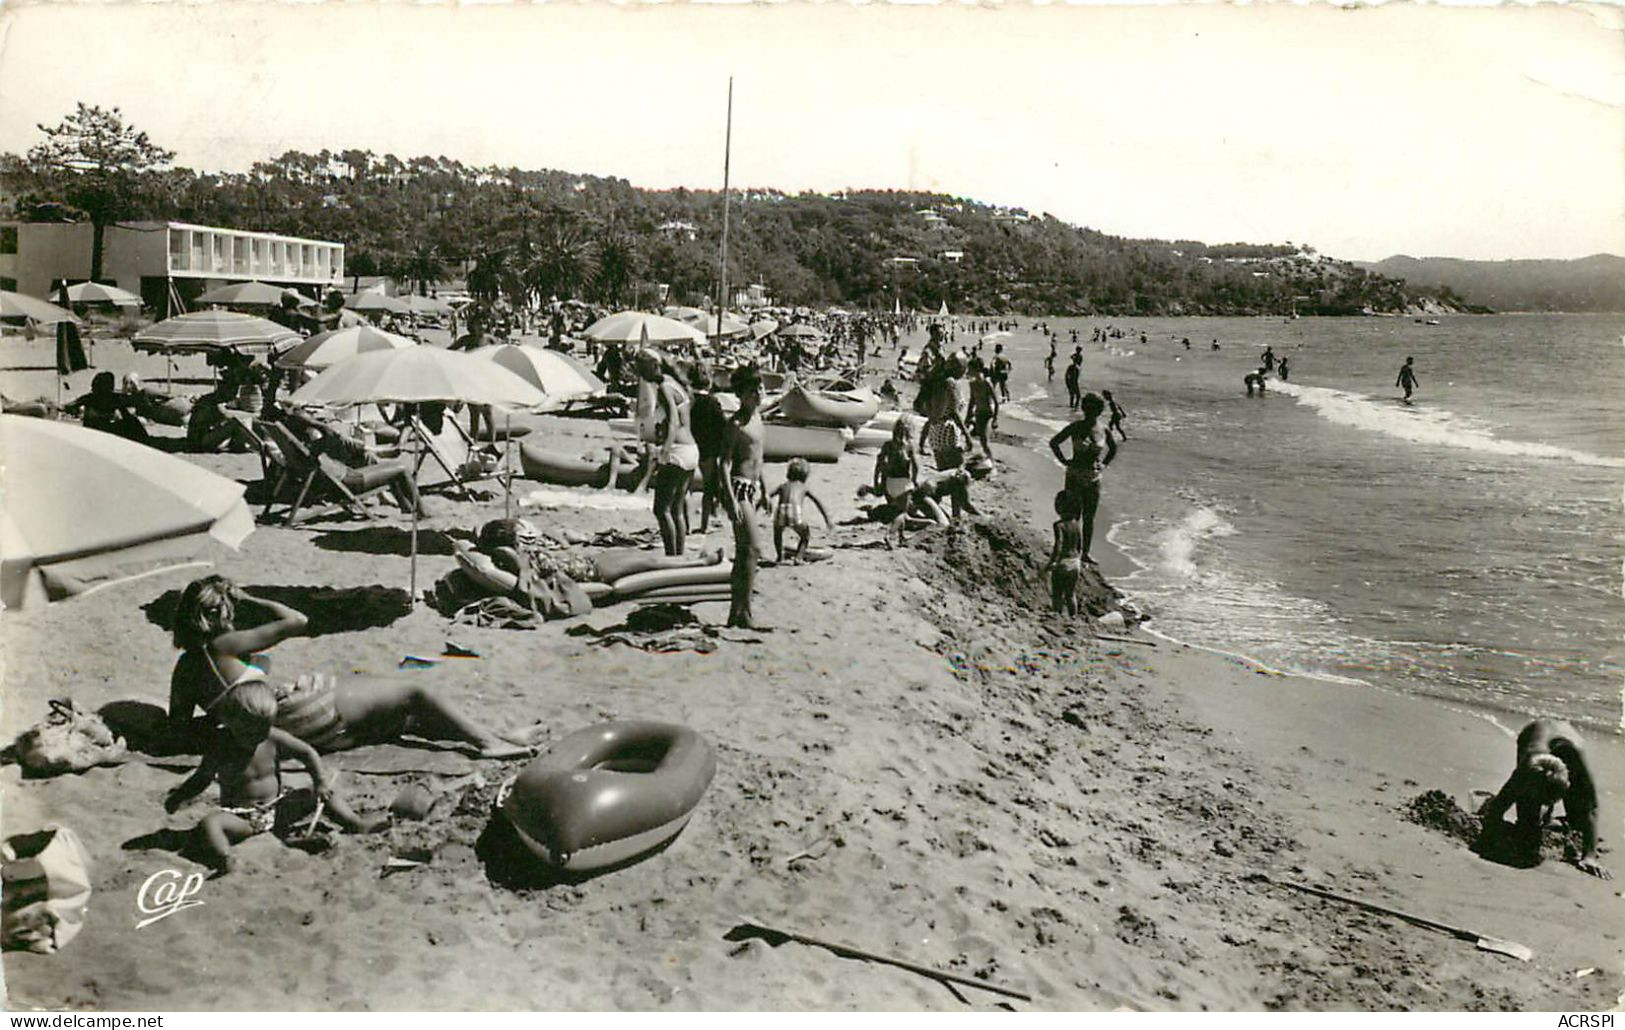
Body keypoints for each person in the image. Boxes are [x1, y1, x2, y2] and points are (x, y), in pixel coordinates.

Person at [167, 576, 533, 758]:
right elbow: (296, 620)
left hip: (280, 734)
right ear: (218, 615)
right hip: (300, 712)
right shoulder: (223, 644)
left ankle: (496, 736)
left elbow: (180, 729)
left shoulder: (184, 670)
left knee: (400, 714)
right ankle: (488, 742)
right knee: (413, 690)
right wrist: (250, 597)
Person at [164, 682, 386, 875]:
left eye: (262, 730)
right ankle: (225, 857)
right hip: (242, 818)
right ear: (228, 721)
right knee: (210, 823)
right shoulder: (220, 747)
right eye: (249, 732)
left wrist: (319, 781)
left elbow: (307, 752)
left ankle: (355, 823)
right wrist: (180, 796)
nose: (256, 737)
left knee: (320, 794)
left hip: (277, 808)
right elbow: (201, 778)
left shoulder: (271, 738)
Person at [1478, 718, 1608, 879]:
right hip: (1532, 732)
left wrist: (1590, 856)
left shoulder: (1577, 762)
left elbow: (1592, 808)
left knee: (1579, 819)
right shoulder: (1528, 767)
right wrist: (1491, 823)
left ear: (1567, 785)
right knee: (1527, 824)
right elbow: (1503, 801)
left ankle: (1552, 818)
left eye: (1548, 802)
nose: (1544, 805)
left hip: (1568, 736)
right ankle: (1532, 811)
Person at [718, 365, 771, 630]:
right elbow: (724, 463)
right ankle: (745, 612)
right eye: (753, 390)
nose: (759, 393)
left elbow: (758, 458)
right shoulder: (736, 424)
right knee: (753, 549)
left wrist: (765, 488)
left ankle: (736, 613)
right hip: (738, 488)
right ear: (741, 395)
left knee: (744, 554)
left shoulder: (759, 419)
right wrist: (728, 498)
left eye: (760, 388)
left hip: (751, 488)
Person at [1048, 393, 1117, 561]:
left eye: (1096, 409)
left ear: (1100, 410)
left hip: (1094, 477)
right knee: (1072, 516)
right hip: (1075, 475)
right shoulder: (1076, 427)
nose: (1093, 411)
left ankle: (1085, 552)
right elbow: (1054, 442)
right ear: (1085, 408)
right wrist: (1064, 461)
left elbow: (1113, 449)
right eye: (1090, 408)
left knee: (1089, 518)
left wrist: (1104, 464)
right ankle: (1070, 550)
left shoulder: (1104, 429)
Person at [641, 353, 698, 556]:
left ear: (655, 366)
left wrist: (664, 449)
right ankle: (679, 557)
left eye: (642, 367)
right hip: (690, 450)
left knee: (661, 509)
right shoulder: (674, 383)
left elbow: (674, 421)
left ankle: (671, 556)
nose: (639, 372)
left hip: (677, 451)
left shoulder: (665, 388)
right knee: (676, 509)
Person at [769, 458, 833, 564]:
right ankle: (799, 558)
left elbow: (767, 497)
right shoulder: (803, 487)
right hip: (794, 511)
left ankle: (779, 557)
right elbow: (818, 502)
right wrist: (827, 520)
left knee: (778, 533)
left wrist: (755, 509)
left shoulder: (783, 486)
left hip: (781, 510)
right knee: (805, 535)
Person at [873, 420, 921, 548]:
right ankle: (890, 534)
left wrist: (876, 482)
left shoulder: (887, 445)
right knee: (902, 514)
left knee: (896, 512)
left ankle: (901, 537)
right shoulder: (909, 446)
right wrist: (915, 480)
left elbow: (879, 465)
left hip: (889, 482)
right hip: (903, 483)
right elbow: (915, 467)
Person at [66, 371, 150, 443]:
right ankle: (144, 441)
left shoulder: (90, 397)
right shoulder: (110, 398)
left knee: (131, 420)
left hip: (97, 431)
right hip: (101, 432)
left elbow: (70, 406)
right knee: (132, 422)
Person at [1042, 490, 1085, 616]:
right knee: (1071, 594)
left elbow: (1059, 544)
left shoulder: (1059, 525)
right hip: (1075, 563)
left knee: (1057, 593)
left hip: (1063, 562)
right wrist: (1078, 558)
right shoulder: (1077, 525)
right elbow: (1080, 546)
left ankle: (1057, 616)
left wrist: (1053, 561)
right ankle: (1074, 618)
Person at [966, 364, 997, 459]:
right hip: (978, 413)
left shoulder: (987, 383)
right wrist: (968, 416)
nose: (968, 372)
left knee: (984, 440)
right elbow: (972, 401)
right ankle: (987, 458)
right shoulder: (972, 384)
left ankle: (992, 463)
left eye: (970, 370)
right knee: (981, 440)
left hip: (988, 413)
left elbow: (996, 402)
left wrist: (995, 418)